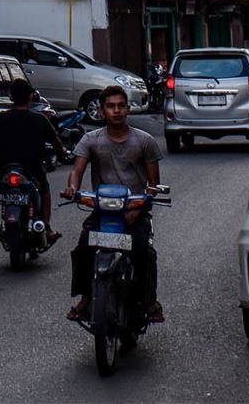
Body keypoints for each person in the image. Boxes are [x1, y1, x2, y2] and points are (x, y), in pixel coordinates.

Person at [62, 83, 163, 327]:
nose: (116, 111)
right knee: (83, 248)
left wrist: (139, 208)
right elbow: (77, 170)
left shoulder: (145, 141)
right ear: (102, 111)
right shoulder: (91, 140)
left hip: (135, 212)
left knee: (144, 253)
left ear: (128, 110)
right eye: (110, 107)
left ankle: (148, 302)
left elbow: (153, 184)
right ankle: (87, 298)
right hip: (103, 211)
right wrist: (72, 189)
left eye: (120, 106)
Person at [0, 78, 61, 246]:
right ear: (30, 97)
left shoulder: (0, 119)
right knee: (45, 188)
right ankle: (47, 227)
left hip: (5, 169)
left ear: (11, 97)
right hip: (32, 169)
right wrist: (63, 154)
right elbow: (56, 142)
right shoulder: (40, 119)